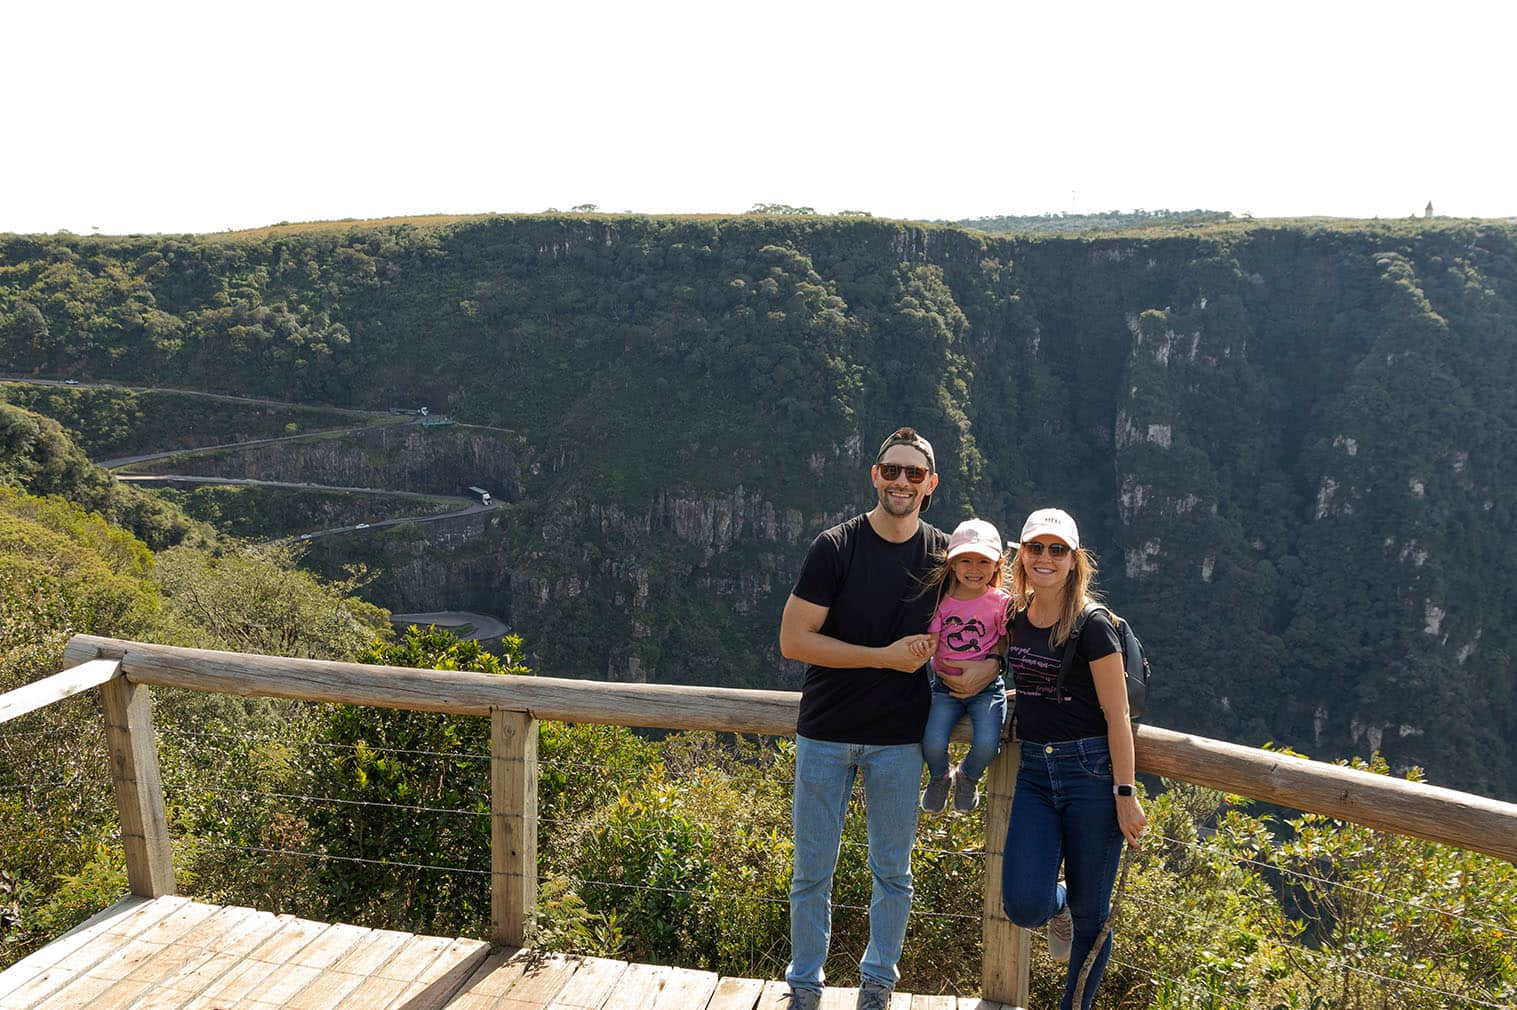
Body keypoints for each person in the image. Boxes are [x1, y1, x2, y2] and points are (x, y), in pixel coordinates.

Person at [778, 427, 997, 1010]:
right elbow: (794, 640)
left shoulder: (946, 557)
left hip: (901, 738)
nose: (902, 481)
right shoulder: (835, 547)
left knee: (893, 873)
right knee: (811, 873)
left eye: (914, 474)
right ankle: (805, 985)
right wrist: (882, 658)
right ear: (875, 475)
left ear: (931, 484)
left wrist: (994, 663)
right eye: (892, 470)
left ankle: (877, 984)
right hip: (826, 731)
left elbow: (996, 613)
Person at [999, 508, 1147, 1010]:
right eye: (1036, 548)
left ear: (1074, 559)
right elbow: (1029, 683)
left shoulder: (1093, 626)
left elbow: (1117, 713)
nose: (1045, 558)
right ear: (1021, 556)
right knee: (1024, 903)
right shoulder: (1016, 619)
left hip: (1092, 774)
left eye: (1056, 550)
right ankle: (1053, 902)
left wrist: (1125, 793)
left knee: (1092, 914)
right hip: (1036, 774)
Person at [913, 518, 1010, 814]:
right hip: (944, 687)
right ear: (951, 563)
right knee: (931, 743)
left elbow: (1006, 641)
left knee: (987, 746)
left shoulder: (1001, 602)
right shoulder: (942, 602)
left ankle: (968, 775)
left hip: (987, 691)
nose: (974, 569)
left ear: (997, 565)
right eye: (965, 560)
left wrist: (993, 667)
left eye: (983, 561)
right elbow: (931, 640)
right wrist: (919, 649)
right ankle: (940, 776)